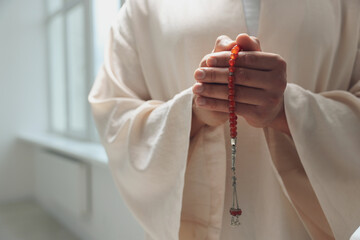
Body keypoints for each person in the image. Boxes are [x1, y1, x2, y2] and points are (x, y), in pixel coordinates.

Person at [88, 0, 360, 239]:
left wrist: (290, 110)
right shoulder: (144, 7)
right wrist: (192, 112)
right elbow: (114, 116)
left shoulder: (347, 6)